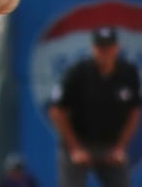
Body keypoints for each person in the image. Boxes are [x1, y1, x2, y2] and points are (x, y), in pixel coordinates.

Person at [48, 26, 141, 187]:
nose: (105, 52)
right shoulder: (78, 72)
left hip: (110, 145)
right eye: (100, 47)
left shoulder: (128, 73)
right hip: (78, 141)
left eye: (108, 47)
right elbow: (57, 110)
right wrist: (75, 148)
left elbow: (134, 111)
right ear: (93, 48)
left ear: (117, 48)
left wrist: (120, 147)